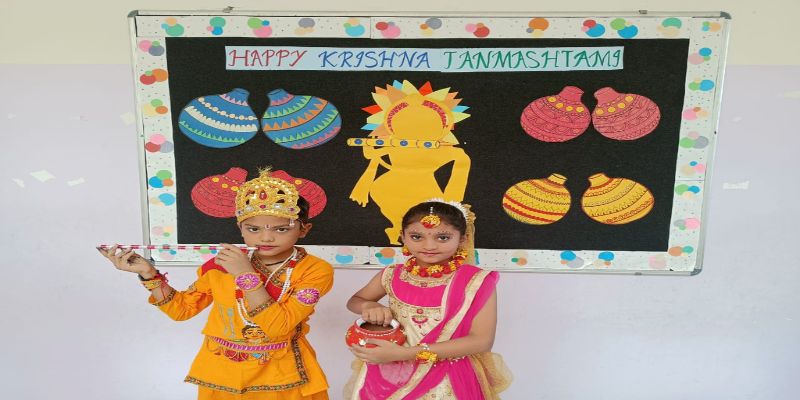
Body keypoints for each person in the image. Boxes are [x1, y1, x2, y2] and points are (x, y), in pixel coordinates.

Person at [100, 169, 333, 399]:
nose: (266, 237)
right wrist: (149, 275)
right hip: (221, 373)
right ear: (240, 228)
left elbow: (277, 327)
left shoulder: (314, 270)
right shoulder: (220, 264)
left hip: (283, 376)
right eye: (253, 229)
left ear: (304, 229)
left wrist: (245, 274)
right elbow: (181, 310)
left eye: (281, 229)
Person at [345, 200, 512, 399]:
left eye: (443, 237)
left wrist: (405, 354)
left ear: (463, 239)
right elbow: (355, 300)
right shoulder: (391, 274)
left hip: (448, 378)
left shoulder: (476, 281)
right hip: (389, 373)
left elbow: (481, 341)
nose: (429, 246)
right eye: (417, 237)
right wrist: (369, 305)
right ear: (402, 236)